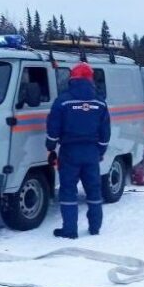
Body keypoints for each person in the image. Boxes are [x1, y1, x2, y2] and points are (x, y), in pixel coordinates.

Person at [46, 62, 111, 238]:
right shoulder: (100, 102)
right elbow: (105, 132)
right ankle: (95, 227)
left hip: (69, 152)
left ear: (72, 78)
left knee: (68, 191)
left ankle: (69, 230)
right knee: (94, 191)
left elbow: (53, 128)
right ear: (90, 79)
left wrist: (50, 147)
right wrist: (100, 151)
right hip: (91, 153)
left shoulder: (63, 101)